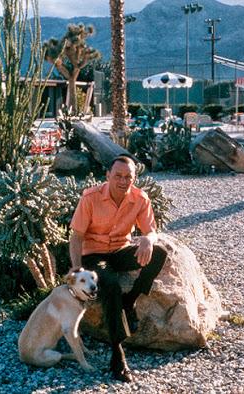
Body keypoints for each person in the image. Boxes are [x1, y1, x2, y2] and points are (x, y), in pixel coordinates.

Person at [69, 154, 167, 383]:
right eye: (118, 176)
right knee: (110, 285)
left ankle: (131, 299)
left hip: (120, 250)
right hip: (94, 254)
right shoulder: (91, 198)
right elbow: (76, 236)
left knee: (159, 254)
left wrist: (148, 240)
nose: (123, 181)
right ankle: (118, 354)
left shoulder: (140, 198)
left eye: (128, 177)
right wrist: (76, 269)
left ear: (134, 178)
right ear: (108, 176)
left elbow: (151, 230)